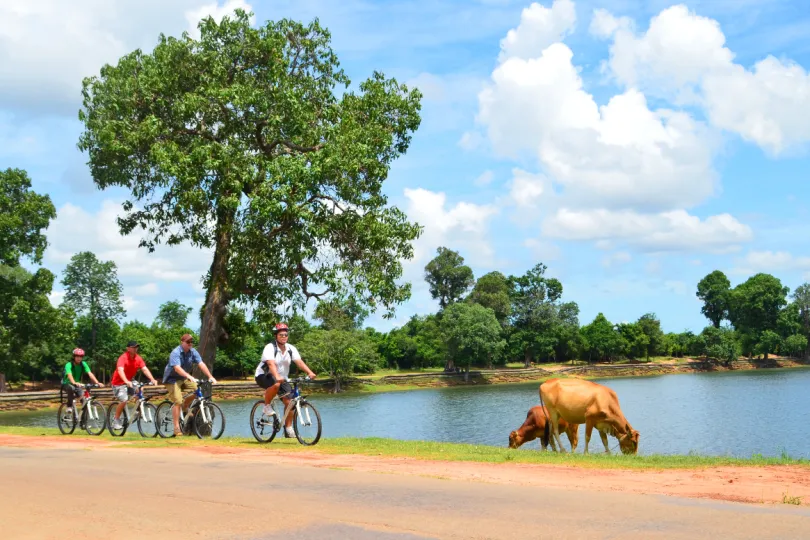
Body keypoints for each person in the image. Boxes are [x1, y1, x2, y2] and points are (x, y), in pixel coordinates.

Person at [254, 323, 317, 438]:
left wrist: (310, 372)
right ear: (276, 336)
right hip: (264, 375)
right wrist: (277, 376)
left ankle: (288, 429)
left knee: (291, 403)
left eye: (285, 335)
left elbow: (299, 362)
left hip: (282, 379)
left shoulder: (291, 348)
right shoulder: (270, 347)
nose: (284, 337)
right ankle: (267, 406)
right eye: (281, 335)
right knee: (276, 384)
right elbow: (270, 364)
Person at [162, 333, 216, 436]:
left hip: (183, 378)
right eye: (188, 342)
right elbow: (177, 368)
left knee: (197, 390)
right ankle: (176, 427)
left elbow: (201, 364)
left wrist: (210, 376)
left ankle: (185, 406)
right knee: (177, 400)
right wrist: (189, 376)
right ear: (182, 342)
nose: (190, 344)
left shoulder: (193, 352)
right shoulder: (176, 352)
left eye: (191, 342)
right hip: (171, 379)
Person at [111, 341, 159, 430]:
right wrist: (126, 381)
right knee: (124, 400)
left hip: (130, 380)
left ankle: (137, 411)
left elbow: (144, 369)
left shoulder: (138, 358)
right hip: (118, 382)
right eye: (133, 347)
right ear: (128, 348)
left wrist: (152, 379)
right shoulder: (123, 358)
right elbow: (120, 370)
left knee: (140, 389)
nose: (135, 349)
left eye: (136, 347)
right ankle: (116, 420)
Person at [61, 348, 103, 414]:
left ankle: (82, 422)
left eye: (80, 357)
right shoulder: (68, 364)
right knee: (71, 388)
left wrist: (97, 382)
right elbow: (69, 374)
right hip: (67, 383)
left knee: (84, 400)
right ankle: (69, 406)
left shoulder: (83, 364)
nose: (79, 358)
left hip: (77, 385)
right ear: (74, 356)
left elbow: (90, 373)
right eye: (77, 356)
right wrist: (74, 382)